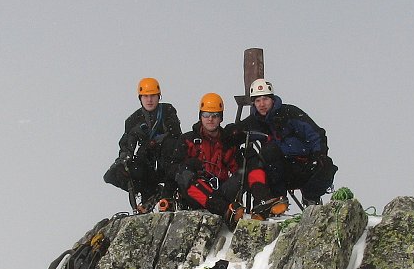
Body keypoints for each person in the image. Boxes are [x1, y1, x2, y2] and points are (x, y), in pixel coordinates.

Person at [167, 93, 284, 229]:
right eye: (206, 115)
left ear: (220, 118)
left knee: (250, 158)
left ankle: (262, 200)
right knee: (184, 173)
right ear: (200, 116)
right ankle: (226, 210)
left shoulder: (227, 141)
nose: (210, 119)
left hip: (222, 193)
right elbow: (172, 170)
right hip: (197, 195)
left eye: (215, 115)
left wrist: (245, 155)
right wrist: (187, 168)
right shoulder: (188, 140)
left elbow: (237, 170)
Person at [237, 78, 337, 206]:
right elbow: (235, 132)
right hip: (279, 172)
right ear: (254, 103)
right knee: (268, 152)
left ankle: (311, 197)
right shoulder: (254, 122)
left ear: (272, 99)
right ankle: (278, 200)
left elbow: (315, 134)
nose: (262, 104)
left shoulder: (290, 113)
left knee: (326, 165)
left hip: (304, 165)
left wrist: (319, 154)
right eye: (257, 100)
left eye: (265, 99)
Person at [103, 77, 182, 211]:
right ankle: (151, 192)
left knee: (170, 146)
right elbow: (126, 143)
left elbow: (175, 135)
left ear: (159, 96)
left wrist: (153, 143)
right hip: (146, 163)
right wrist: (123, 160)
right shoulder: (133, 120)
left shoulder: (168, 111)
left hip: (167, 161)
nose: (149, 100)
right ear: (140, 98)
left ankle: (168, 194)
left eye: (153, 96)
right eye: (146, 96)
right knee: (114, 173)